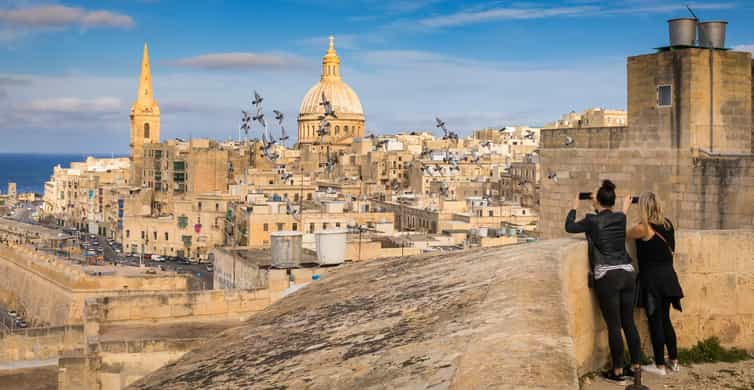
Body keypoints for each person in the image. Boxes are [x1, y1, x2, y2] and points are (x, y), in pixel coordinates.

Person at [565, 180, 641, 385]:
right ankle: (636, 367)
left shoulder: (591, 220)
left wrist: (574, 205)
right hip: (627, 272)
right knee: (629, 323)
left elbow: (569, 227)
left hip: (608, 276)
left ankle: (617, 371)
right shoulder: (620, 218)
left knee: (614, 326)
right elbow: (616, 215)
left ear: (597, 200)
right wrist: (602, 203)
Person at [627, 192, 683, 376]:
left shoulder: (643, 228)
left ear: (643, 207)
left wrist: (625, 208)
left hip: (652, 280)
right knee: (665, 319)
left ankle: (659, 365)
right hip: (669, 277)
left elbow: (625, 233)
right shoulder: (668, 224)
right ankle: (674, 361)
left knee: (655, 321)